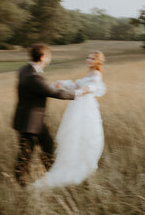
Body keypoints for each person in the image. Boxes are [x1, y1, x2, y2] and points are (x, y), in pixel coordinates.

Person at [12, 43, 88, 187]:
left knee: (48, 146)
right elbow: (54, 93)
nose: (49, 59)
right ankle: (20, 183)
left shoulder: (24, 70)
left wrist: (49, 87)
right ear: (42, 57)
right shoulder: (34, 77)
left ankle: (52, 177)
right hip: (30, 123)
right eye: (48, 56)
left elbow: (38, 90)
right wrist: (78, 93)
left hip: (33, 120)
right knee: (26, 154)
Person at [32, 51, 106, 188]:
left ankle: (82, 165)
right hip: (78, 105)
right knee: (73, 135)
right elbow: (76, 87)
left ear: (98, 61)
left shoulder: (96, 74)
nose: (88, 60)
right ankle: (71, 162)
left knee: (86, 135)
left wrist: (86, 89)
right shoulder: (89, 73)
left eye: (92, 58)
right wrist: (62, 83)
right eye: (88, 57)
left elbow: (94, 87)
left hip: (86, 108)